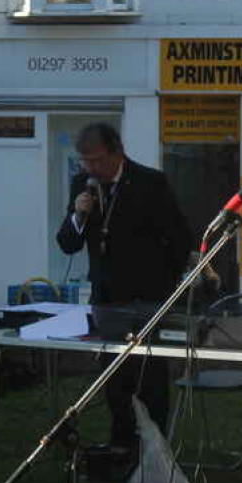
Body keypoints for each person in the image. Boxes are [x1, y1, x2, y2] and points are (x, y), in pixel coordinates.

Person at [56, 123, 192, 454]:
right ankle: (122, 442)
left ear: (117, 153)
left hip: (147, 295)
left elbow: (179, 238)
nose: (91, 168)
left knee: (150, 374)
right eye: (85, 161)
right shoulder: (82, 186)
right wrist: (78, 214)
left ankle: (156, 446)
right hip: (107, 296)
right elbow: (67, 243)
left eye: (98, 160)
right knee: (114, 377)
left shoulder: (150, 183)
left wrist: (165, 286)